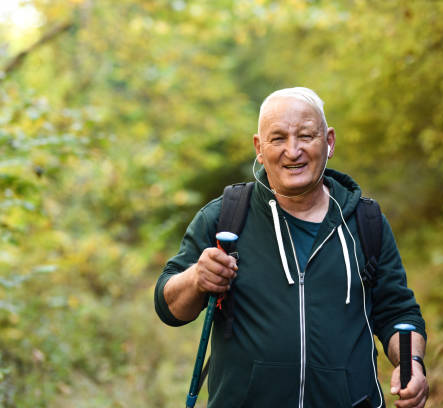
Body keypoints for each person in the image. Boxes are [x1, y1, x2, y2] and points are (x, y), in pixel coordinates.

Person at [155, 87, 428, 408]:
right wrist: (196, 279)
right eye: (278, 138)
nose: (293, 150)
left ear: (329, 142)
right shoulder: (224, 218)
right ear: (259, 148)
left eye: (306, 136)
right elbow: (169, 309)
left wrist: (412, 365)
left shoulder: (366, 221)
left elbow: (397, 312)